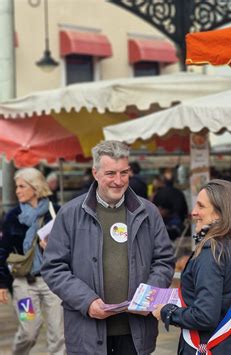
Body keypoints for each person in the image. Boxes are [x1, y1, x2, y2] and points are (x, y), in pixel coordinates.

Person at [41, 140, 175, 355]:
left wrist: (148, 296)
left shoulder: (148, 212)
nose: (119, 181)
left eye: (124, 173)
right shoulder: (70, 214)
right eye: (111, 173)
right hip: (86, 329)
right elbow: (53, 268)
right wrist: (87, 301)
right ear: (95, 173)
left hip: (135, 332)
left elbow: (164, 261)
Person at [152, 179, 231, 354]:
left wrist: (167, 312)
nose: (193, 212)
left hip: (210, 345)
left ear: (220, 214)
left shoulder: (212, 252)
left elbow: (205, 316)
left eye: (201, 206)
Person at [0, 168, 65, 354]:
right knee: (29, 330)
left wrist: (52, 247)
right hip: (24, 284)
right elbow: (3, 251)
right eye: (16, 187)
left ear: (35, 188)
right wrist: (2, 283)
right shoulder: (13, 216)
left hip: (53, 283)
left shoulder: (56, 212)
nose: (17, 191)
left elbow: (72, 246)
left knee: (59, 334)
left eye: (22, 186)